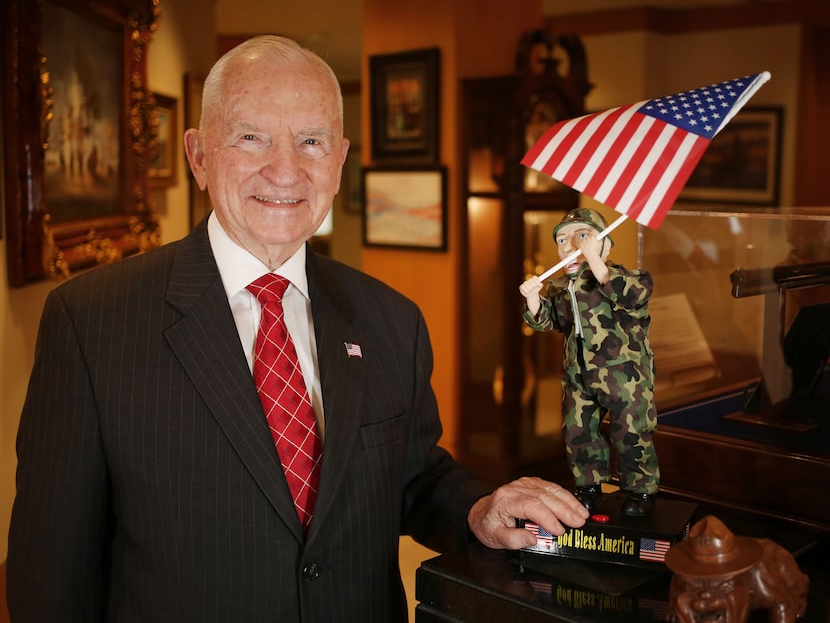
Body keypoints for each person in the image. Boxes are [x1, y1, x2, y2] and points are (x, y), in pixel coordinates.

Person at [7, 35, 588, 623]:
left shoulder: (392, 320)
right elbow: (51, 576)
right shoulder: (91, 324)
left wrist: (478, 507)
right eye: (251, 136)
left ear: (338, 160)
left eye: (311, 141)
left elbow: (412, 476)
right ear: (199, 156)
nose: (285, 169)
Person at [519, 208, 660, 517]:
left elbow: (632, 297)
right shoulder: (562, 288)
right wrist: (533, 299)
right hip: (578, 376)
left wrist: (594, 259)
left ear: (604, 245)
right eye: (562, 240)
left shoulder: (625, 279)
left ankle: (640, 489)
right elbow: (550, 321)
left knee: (630, 431)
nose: (570, 246)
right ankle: (588, 486)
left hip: (625, 375)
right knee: (578, 430)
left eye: (582, 237)